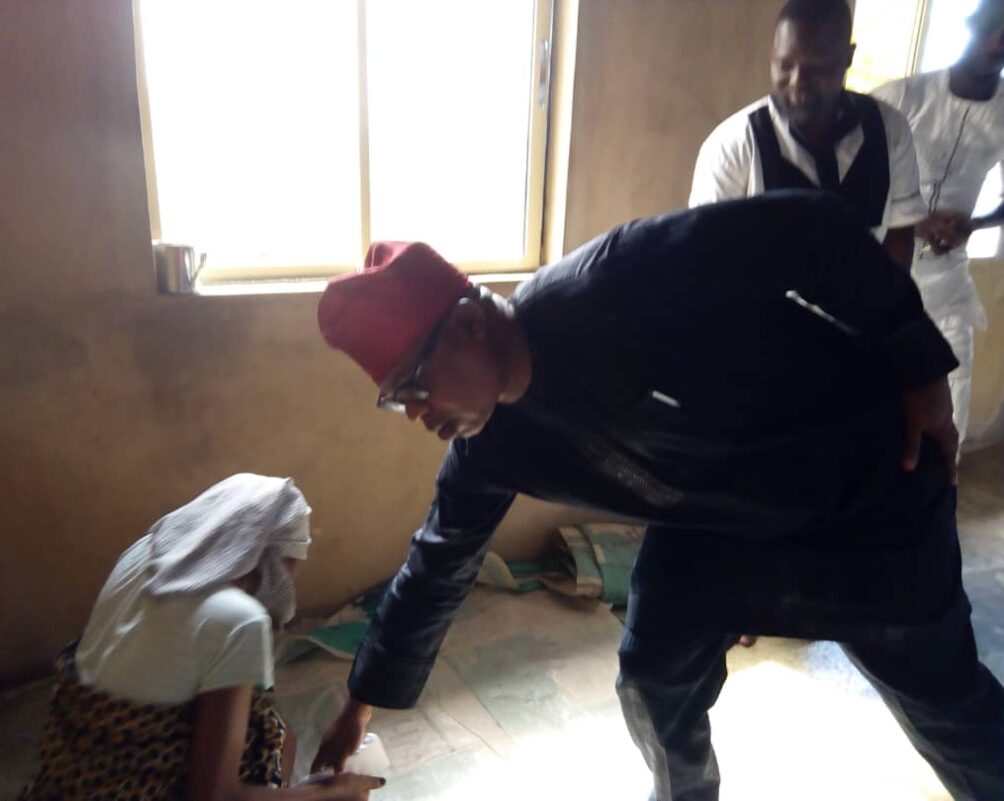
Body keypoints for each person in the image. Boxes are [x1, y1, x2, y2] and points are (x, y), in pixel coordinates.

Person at [311, 193, 1004, 801]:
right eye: (395, 399)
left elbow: (810, 228)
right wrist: (359, 707)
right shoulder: (490, 445)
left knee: (943, 702)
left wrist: (919, 368)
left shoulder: (617, 279)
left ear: (468, 325)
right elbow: (439, 561)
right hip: (719, 519)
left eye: (413, 384)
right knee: (654, 676)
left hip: (865, 487)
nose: (414, 412)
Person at [18, 473, 383, 801]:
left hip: (72, 761)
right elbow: (214, 796)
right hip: (129, 783)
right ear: (265, 563)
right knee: (269, 744)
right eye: (288, 569)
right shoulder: (239, 620)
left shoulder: (145, 553)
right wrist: (325, 794)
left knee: (277, 731)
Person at [690, 0, 926, 270]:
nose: (798, 82)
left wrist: (890, 295)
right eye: (785, 66)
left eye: (816, 68)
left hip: (863, 296)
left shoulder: (889, 130)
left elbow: (899, 236)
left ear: (848, 57)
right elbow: (707, 255)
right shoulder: (734, 145)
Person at [872, 0, 1004, 445]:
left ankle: (939, 488)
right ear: (970, 27)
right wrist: (914, 222)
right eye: (991, 30)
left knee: (950, 421)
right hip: (883, 279)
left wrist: (975, 225)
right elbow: (851, 181)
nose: (996, 44)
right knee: (874, 411)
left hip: (948, 290)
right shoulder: (902, 97)